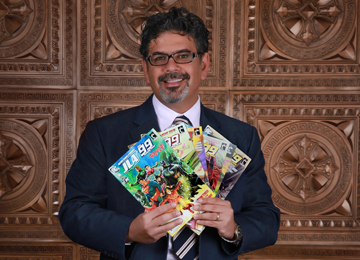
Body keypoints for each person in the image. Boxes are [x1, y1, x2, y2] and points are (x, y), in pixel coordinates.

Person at [59, 7, 280, 260]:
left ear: (204, 64)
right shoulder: (104, 133)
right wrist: (129, 231)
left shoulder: (241, 136)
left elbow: (266, 219)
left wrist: (233, 229)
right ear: (146, 69)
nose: (171, 68)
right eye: (159, 58)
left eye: (183, 56)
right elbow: (74, 213)